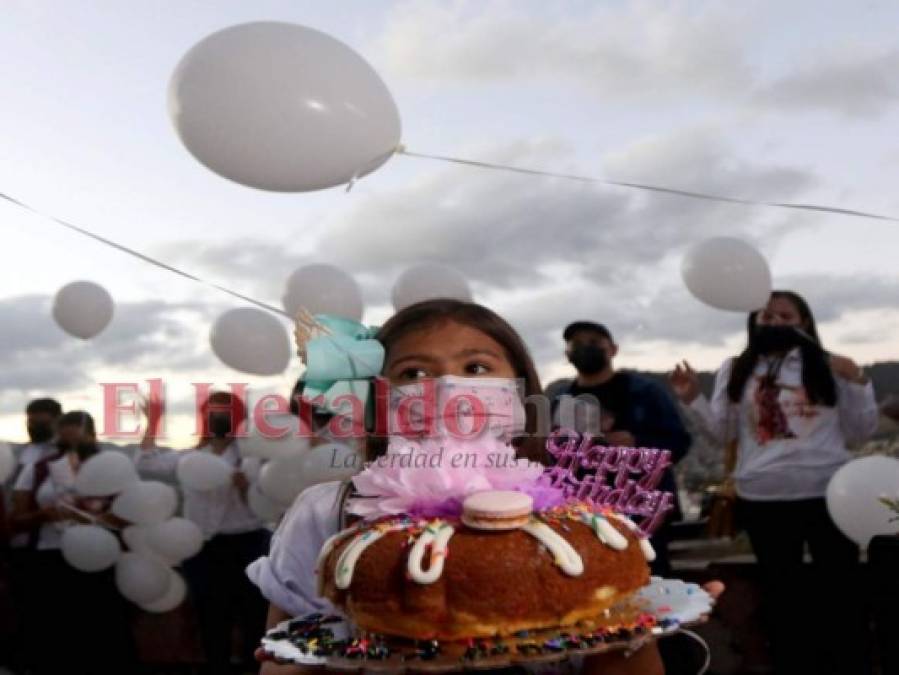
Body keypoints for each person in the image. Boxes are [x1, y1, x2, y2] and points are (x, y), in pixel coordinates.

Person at [248, 299, 675, 675]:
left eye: (476, 367)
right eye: (412, 372)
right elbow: (289, 662)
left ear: (520, 389)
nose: (448, 388)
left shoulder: (578, 517)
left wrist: (638, 621)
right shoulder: (326, 515)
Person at [669, 290, 878, 675]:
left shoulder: (830, 367)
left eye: (787, 316)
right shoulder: (735, 368)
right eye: (768, 317)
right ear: (754, 323)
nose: (776, 323)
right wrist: (692, 398)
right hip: (763, 496)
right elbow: (722, 432)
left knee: (842, 588)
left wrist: (860, 382)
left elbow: (860, 431)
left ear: (805, 324)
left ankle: (851, 662)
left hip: (829, 492)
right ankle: (793, 662)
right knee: (782, 593)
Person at [136, 390, 271, 675]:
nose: (217, 417)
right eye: (211, 411)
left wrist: (245, 486)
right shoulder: (193, 457)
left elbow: (268, 506)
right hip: (203, 550)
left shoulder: (252, 457)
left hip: (247, 545)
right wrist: (153, 422)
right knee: (210, 620)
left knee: (253, 619)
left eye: (223, 411)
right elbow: (146, 463)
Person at [545, 321, 691, 575]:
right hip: (580, 512)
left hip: (640, 510)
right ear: (567, 354)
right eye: (577, 345)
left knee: (648, 579)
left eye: (593, 343)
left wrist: (636, 442)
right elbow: (549, 452)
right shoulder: (559, 399)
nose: (585, 349)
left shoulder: (646, 392)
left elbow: (679, 441)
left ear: (613, 349)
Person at [9, 413, 136, 675]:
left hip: (100, 558)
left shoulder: (114, 468)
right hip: (48, 559)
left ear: (92, 435)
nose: (72, 447)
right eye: (65, 442)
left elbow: (134, 515)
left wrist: (97, 517)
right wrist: (43, 515)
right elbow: (17, 519)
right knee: (51, 636)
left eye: (78, 440)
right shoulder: (37, 469)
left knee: (101, 635)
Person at [1, 398, 62, 670]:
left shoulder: (61, 456)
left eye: (40, 420)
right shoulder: (20, 454)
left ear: (56, 421)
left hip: (46, 544)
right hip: (13, 540)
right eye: (30, 419)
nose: (33, 424)